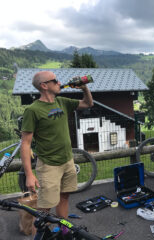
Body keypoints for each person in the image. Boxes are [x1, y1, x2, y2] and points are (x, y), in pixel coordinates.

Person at [20, 71, 93, 235]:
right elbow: (25, 144)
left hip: (67, 161)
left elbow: (88, 104)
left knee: (64, 197)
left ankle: (63, 231)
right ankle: (38, 236)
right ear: (44, 86)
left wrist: (84, 87)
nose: (59, 82)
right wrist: (29, 174)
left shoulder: (62, 102)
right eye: (55, 80)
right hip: (49, 166)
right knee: (44, 209)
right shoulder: (33, 110)